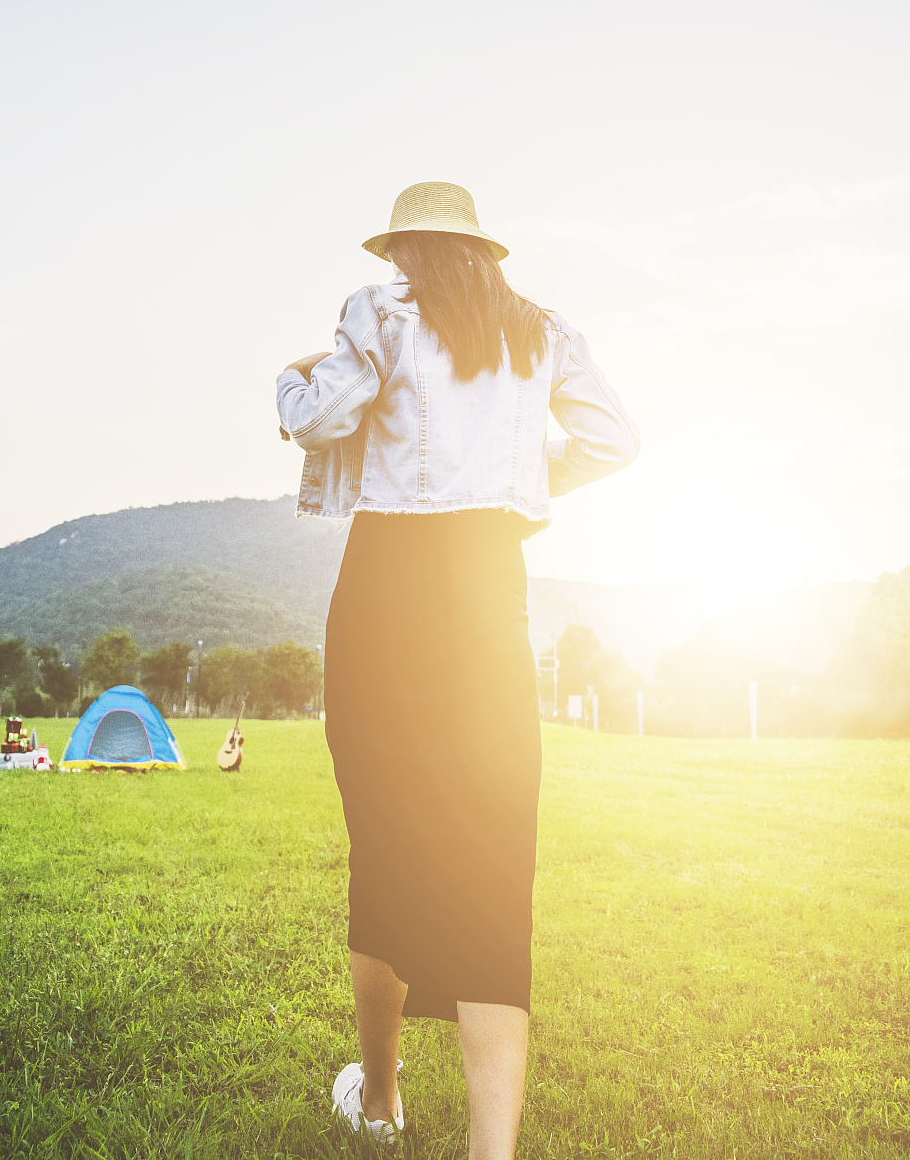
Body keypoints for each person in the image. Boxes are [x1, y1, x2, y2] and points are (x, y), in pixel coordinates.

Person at [274, 182, 639, 1157]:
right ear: (483, 253)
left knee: (385, 846)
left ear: (403, 251)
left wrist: (287, 378)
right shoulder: (539, 329)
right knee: (489, 861)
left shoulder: (376, 311)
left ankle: (383, 1100)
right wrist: (520, 473)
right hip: (488, 588)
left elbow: (320, 422)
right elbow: (613, 440)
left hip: (387, 590)